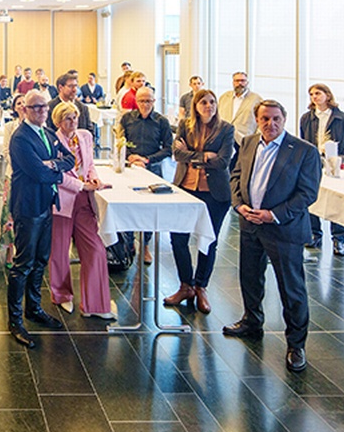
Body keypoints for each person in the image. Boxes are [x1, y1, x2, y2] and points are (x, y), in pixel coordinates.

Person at [225, 100, 320, 373]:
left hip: (283, 227)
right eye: (265, 118)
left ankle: (296, 344)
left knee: (291, 288)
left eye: (276, 118)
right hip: (250, 223)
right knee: (250, 277)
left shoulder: (304, 151)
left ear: (285, 119)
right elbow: (236, 175)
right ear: (257, 120)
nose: (271, 124)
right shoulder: (249, 143)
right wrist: (239, 203)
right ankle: (252, 322)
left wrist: (273, 214)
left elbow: (307, 194)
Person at [7, 90, 74, 348]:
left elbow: (70, 159)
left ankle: (33, 309)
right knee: (23, 264)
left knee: (41, 260)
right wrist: (52, 169)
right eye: (35, 107)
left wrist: (53, 165)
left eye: (44, 106)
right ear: (24, 109)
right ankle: (15, 320)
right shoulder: (20, 138)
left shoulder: (47, 134)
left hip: (47, 204)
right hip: (28, 206)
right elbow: (37, 173)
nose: (41, 111)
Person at [165, 90, 234, 314]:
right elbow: (177, 154)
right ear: (195, 105)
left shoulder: (226, 129)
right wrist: (206, 156)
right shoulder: (185, 125)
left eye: (212, 102)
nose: (208, 106)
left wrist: (193, 154)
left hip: (214, 193)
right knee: (178, 239)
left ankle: (201, 286)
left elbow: (223, 161)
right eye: (203, 102)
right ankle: (185, 285)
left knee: (208, 240)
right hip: (185, 188)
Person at [49, 102, 113, 318]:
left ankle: (95, 304)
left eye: (75, 116)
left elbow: (90, 163)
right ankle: (61, 295)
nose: (73, 121)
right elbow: (56, 174)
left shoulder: (85, 136)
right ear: (58, 122)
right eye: (68, 118)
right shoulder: (52, 140)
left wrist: (93, 177)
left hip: (85, 201)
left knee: (95, 249)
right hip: (62, 201)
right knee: (59, 251)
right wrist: (80, 185)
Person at [299, 83, 344, 256]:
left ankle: (338, 239)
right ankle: (314, 234)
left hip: (336, 163)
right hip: (314, 163)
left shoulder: (343, 119)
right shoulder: (306, 118)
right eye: (311, 94)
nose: (314, 97)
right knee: (312, 197)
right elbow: (304, 140)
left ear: (328, 95)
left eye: (318, 93)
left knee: (338, 202)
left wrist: (343, 162)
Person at [120, 87, 173, 264]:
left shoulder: (161, 121)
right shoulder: (127, 119)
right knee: (127, 207)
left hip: (152, 170)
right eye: (142, 101)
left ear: (154, 101)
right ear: (137, 101)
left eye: (148, 101)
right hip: (130, 168)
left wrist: (147, 160)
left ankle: (145, 245)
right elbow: (120, 142)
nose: (145, 104)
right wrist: (130, 157)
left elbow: (168, 149)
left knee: (149, 210)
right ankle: (129, 244)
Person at [0, 93, 26, 266]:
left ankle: (24, 251)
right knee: (9, 214)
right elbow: (6, 151)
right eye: (19, 103)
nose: (22, 105)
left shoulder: (38, 124)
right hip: (13, 173)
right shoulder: (10, 127)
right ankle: (9, 251)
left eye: (25, 102)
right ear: (15, 107)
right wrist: (20, 166)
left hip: (30, 177)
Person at [219, 71, 263, 166]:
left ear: (247, 82)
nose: (240, 83)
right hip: (225, 139)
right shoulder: (224, 97)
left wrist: (255, 139)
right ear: (233, 82)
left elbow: (261, 120)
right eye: (237, 81)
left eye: (243, 81)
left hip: (244, 140)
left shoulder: (256, 99)